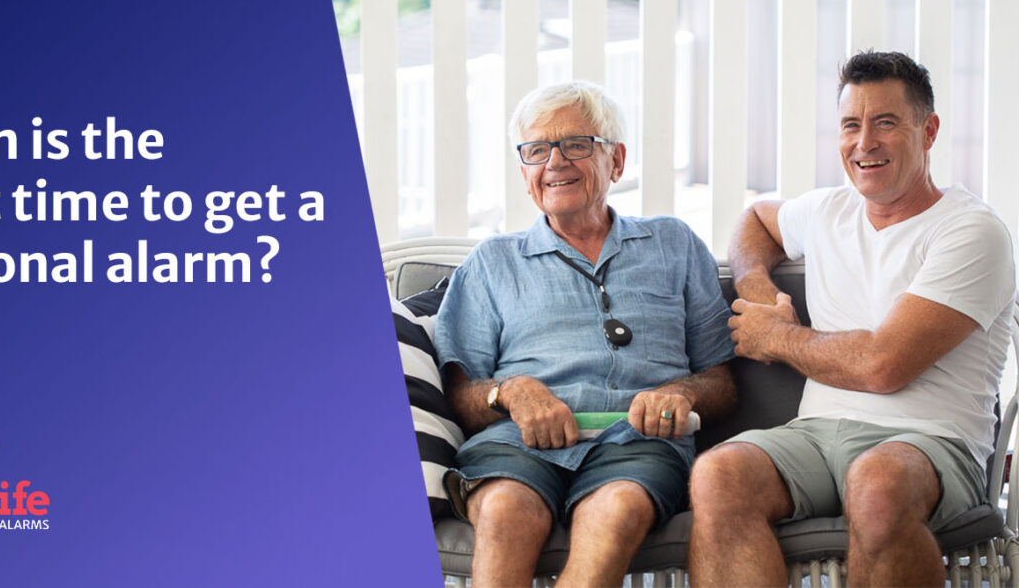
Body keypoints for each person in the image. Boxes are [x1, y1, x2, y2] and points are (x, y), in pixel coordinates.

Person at [688, 51, 1016, 587]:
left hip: (930, 440)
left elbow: (882, 366)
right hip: (815, 435)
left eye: (886, 122)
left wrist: (777, 336)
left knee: (878, 485)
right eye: (850, 125)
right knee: (719, 475)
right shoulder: (828, 211)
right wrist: (760, 290)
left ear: (928, 130)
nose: (864, 143)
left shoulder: (971, 231)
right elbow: (754, 219)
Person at [435, 81, 736, 587]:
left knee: (616, 509)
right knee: (506, 509)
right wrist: (509, 391)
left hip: (640, 441)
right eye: (536, 149)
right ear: (525, 170)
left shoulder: (674, 244)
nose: (554, 161)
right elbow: (459, 396)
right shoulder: (493, 262)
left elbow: (724, 382)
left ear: (616, 161)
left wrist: (679, 393)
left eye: (576, 144)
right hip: (518, 441)